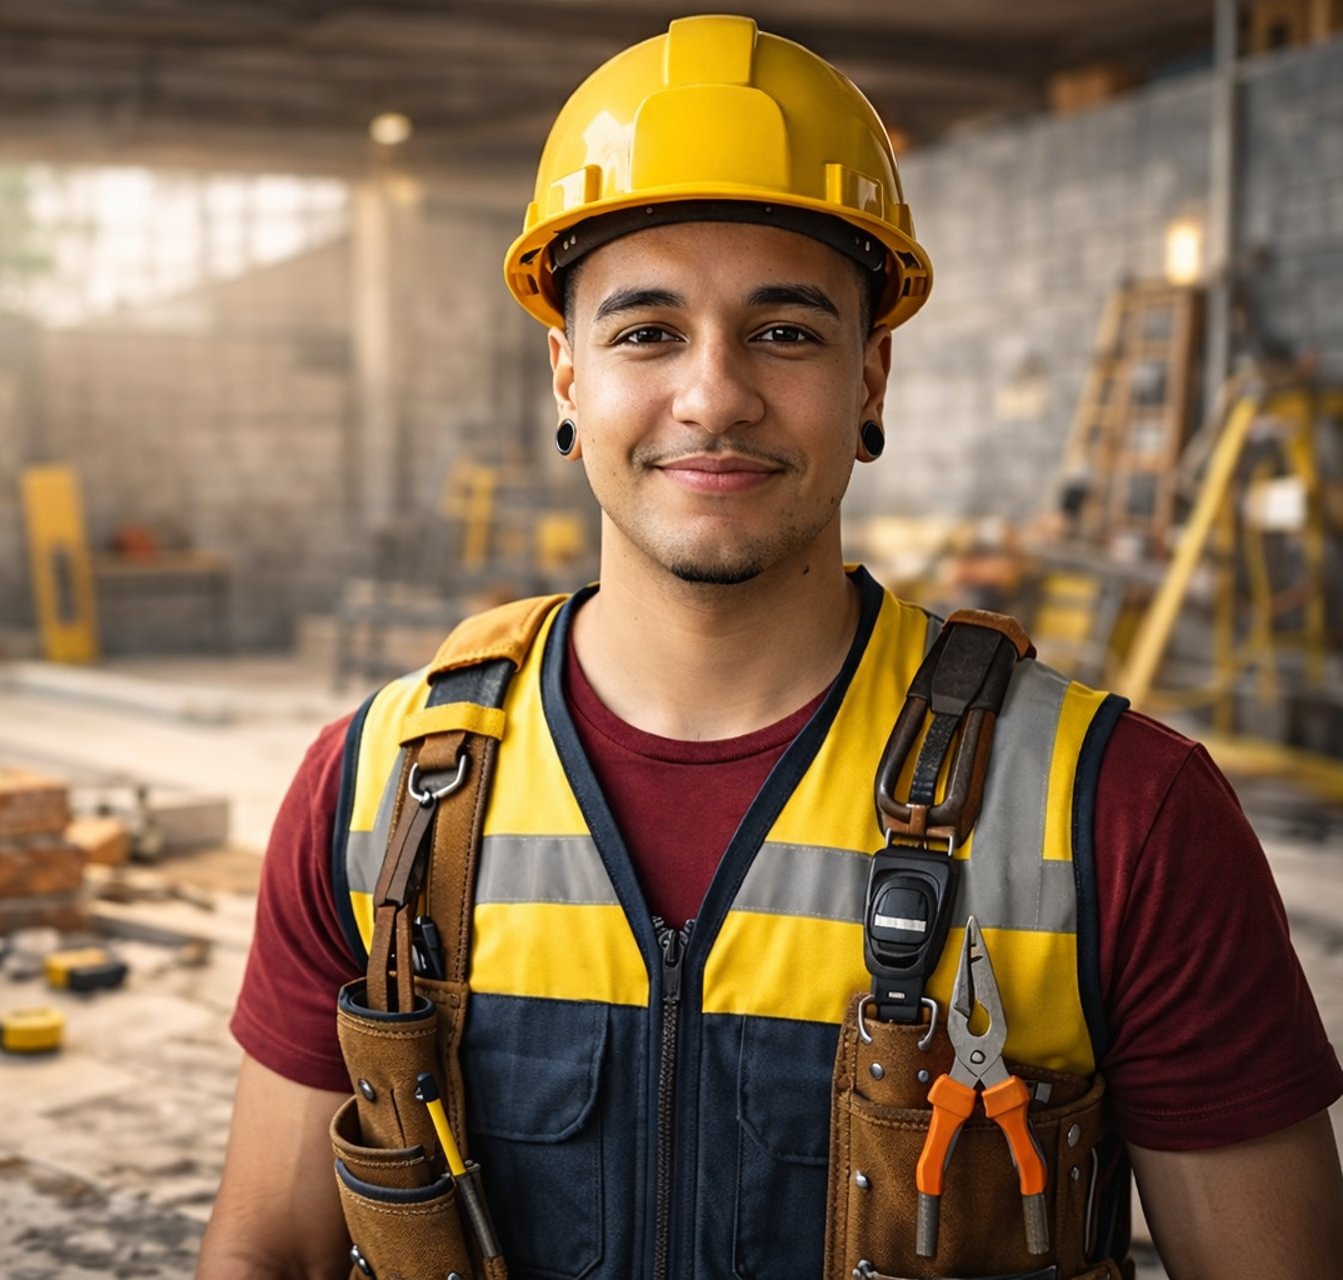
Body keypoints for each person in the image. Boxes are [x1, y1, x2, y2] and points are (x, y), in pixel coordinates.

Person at [196, 14, 1343, 1279]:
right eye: (647, 331)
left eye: (785, 330)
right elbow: (268, 1255)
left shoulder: (1119, 813)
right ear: (567, 374)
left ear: (871, 378)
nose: (715, 395)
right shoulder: (371, 792)